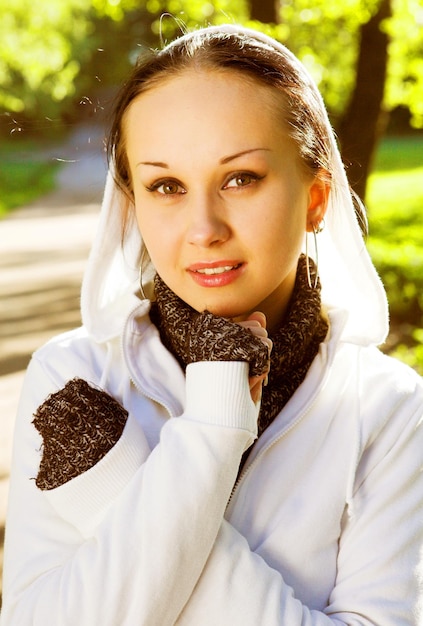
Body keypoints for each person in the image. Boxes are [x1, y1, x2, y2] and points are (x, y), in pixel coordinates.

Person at [1, 23, 422, 626]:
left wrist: (121, 487)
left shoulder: (388, 408)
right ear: (132, 204)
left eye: (240, 178)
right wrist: (213, 432)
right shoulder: (74, 383)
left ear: (316, 197)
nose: (203, 227)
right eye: (166, 185)